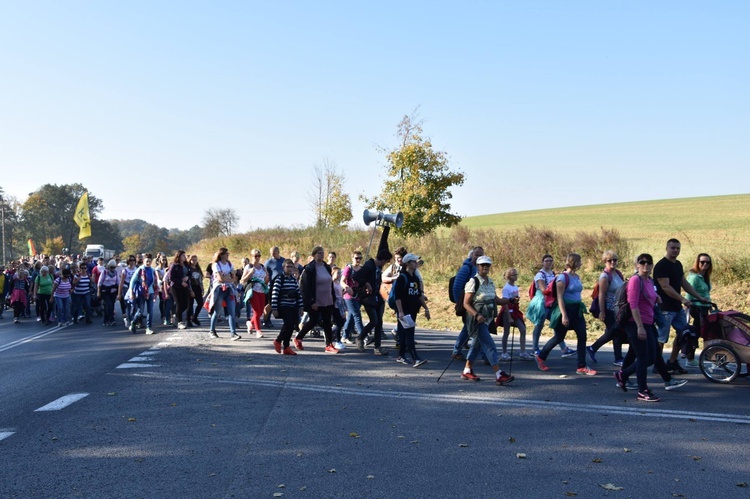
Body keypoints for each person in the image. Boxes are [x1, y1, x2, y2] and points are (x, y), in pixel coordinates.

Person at [614, 254, 689, 402]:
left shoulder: (648, 280)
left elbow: (650, 295)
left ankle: (623, 374)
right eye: (642, 263)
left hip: (648, 323)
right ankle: (642, 390)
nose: (645, 265)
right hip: (636, 324)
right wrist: (640, 327)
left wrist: (657, 297)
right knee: (643, 358)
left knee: (652, 356)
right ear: (637, 265)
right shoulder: (635, 280)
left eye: (649, 263)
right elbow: (633, 304)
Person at [654, 239, 711, 374]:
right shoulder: (661, 266)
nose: (675, 250)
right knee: (662, 338)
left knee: (684, 334)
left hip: (677, 308)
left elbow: (684, 283)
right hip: (664, 308)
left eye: (678, 248)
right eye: (673, 248)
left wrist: (699, 297)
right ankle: (658, 364)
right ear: (667, 248)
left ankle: (672, 362)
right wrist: (683, 299)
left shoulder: (678, 264)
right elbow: (665, 287)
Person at [535, 253, 597, 375]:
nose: (581, 263)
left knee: (582, 335)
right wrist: (564, 315)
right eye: (579, 261)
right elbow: (560, 298)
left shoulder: (577, 276)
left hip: (577, 309)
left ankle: (581, 366)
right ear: (574, 262)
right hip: (565, 309)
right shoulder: (562, 278)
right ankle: (541, 357)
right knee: (559, 337)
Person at [460, 256, 515, 385]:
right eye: (483, 265)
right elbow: (466, 304)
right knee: (489, 345)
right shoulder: (473, 281)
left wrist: (510, 301)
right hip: (476, 320)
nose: (485, 267)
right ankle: (499, 374)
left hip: (488, 318)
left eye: (488, 265)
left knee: (477, 345)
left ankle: (467, 370)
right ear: (478, 266)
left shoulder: (490, 282)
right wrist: (476, 315)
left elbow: (496, 300)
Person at [526, 254, 576, 358]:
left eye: (550, 261)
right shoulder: (540, 275)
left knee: (556, 323)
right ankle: (534, 349)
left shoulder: (552, 274)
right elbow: (544, 290)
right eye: (546, 261)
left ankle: (564, 349)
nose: (548, 263)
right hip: (541, 301)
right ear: (542, 262)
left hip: (551, 301)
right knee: (539, 325)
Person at [295, 246, 339, 353]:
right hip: (315, 300)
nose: (321, 255)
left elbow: (330, 283)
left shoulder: (327, 267)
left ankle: (329, 345)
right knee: (313, 321)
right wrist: (311, 301)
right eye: (319, 253)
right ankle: (298, 338)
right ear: (314, 255)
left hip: (327, 299)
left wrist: (333, 297)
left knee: (328, 322)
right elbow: (305, 287)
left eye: (322, 253)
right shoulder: (309, 268)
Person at [586, 250, 626, 366]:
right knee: (616, 331)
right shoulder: (604, 276)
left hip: (617, 309)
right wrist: (602, 312)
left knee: (613, 331)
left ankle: (593, 349)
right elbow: (601, 295)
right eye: (609, 260)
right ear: (605, 262)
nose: (612, 262)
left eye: (615, 260)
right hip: (608, 309)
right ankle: (617, 358)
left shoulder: (618, 273)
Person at [352, 247, 394, 355]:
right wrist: (366, 283)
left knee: (379, 322)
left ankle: (377, 347)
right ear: (383, 260)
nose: (385, 264)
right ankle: (360, 338)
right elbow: (355, 276)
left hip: (377, 296)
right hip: (368, 298)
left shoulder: (378, 267)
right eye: (386, 262)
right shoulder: (369, 265)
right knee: (374, 321)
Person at [394, 253, 429, 365]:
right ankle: (416, 358)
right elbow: (397, 296)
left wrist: (426, 308)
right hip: (405, 311)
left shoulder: (414, 277)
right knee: (409, 334)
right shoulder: (402, 277)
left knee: (404, 334)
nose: (416, 263)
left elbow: (419, 295)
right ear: (408, 263)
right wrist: (400, 312)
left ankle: (401, 355)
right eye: (414, 261)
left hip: (413, 310)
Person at [684, 253, 713, 367]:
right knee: (696, 332)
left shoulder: (705, 276)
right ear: (697, 263)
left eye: (707, 262)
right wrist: (688, 306)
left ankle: (692, 357)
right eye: (702, 262)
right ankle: (690, 358)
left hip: (704, 307)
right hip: (696, 307)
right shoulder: (694, 277)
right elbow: (689, 293)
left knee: (702, 331)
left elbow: (705, 292)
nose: (705, 264)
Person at [271, 259, 304, 355]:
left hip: (293, 305)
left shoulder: (293, 280)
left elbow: (298, 294)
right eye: (288, 267)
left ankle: (286, 347)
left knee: (292, 326)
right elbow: (275, 294)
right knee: (288, 324)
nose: (290, 269)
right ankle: (278, 340)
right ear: (283, 267)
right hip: (284, 305)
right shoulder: (279, 279)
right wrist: (274, 308)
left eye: (292, 267)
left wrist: (301, 307)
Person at [207, 248, 240, 340]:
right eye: (226, 253)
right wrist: (229, 275)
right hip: (219, 289)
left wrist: (228, 277)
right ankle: (212, 330)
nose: (228, 255)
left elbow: (234, 279)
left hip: (229, 289)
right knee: (217, 311)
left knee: (231, 312)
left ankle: (233, 333)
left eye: (228, 253)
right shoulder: (216, 265)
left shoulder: (229, 264)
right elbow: (220, 279)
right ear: (221, 255)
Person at [498, 268, 531, 360]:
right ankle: (504, 353)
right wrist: (509, 317)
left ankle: (523, 352)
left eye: (516, 274)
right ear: (509, 277)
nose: (516, 276)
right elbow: (505, 303)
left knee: (523, 329)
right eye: (514, 275)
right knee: (506, 332)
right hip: (507, 312)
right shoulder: (506, 288)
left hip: (515, 311)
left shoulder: (515, 287)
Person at [241, 249, 269, 337]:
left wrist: (267, 277)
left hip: (262, 290)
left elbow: (265, 280)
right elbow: (242, 280)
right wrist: (250, 273)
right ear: (251, 256)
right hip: (253, 290)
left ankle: (250, 323)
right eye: (255, 256)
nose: (257, 258)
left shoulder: (262, 267)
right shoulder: (249, 267)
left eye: (259, 256)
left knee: (261, 312)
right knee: (256, 311)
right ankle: (258, 331)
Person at [129, 253, 158, 334]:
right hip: (141, 293)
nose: (148, 263)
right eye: (146, 261)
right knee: (140, 311)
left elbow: (154, 281)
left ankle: (148, 328)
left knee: (150, 311)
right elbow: (132, 281)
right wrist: (131, 292)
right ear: (144, 261)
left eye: (149, 261)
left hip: (151, 292)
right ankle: (134, 322)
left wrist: (156, 290)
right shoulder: (140, 270)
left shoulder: (152, 270)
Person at [341, 250, 364, 344]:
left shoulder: (362, 269)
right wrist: (347, 287)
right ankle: (363, 336)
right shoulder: (348, 268)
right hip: (349, 296)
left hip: (358, 295)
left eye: (360, 258)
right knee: (357, 315)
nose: (358, 260)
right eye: (356, 258)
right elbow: (342, 281)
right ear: (352, 258)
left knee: (351, 317)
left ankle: (344, 336)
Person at [263, 246, 285, 327]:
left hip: (282, 285)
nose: (272, 255)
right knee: (271, 304)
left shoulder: (283, 261)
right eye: (271, 253)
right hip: (272, 286)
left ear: (278, 252)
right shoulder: (268, 262)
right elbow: (264, 274)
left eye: (274, 253)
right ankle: (266, 320)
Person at [97, 260, 120, 326]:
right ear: (108, 267)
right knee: (108, 304)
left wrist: (119, 293)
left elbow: (118, 283)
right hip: (105, 291)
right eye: (111, 267)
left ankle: (105, 319)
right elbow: (99, 283)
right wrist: (98, 292)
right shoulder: (104, 272)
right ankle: (111, 319)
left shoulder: (116, 273)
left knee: (111, 305)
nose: (112, 269)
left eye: (114, 267)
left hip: (113, 292)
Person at [188, 255, 205, 326]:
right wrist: (191, 290)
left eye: (195, 260)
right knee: (190, 304)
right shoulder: (188, 268)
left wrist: (202, 288)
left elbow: (200, 279)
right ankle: (188, 320)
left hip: (198, 287)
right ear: (190, 260)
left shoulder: (198, 268)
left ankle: (195, 317)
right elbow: (188, 280)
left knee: (200, 303)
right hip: (191, 287)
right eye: (193, 260)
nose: (194, 261)